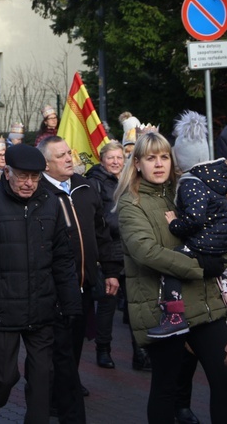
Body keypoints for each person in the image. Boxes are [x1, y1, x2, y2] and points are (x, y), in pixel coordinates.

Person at [115, 131, 227, 423]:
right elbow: (146, 252)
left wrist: (218, 260)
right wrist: (199, 267)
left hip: (205, 304)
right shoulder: (131, 204)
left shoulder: (188, 191)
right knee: (166, 388)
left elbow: (218, 233)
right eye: (150, 158)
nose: (159, 164)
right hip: (162, 309)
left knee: (226, 381)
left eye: (164, 157)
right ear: (138, 164)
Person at [0, 143, 81, 423]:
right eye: (22, 176)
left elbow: (63, 258)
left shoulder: (50, 202)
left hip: (42, 308)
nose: (29, 183)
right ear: (6, 172)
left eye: (35, 177)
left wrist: (70, 302)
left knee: (43, 381)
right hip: (1, 309)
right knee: (3, 379)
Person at [37, 136, 118, 421]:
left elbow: (101, 232)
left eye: (69, 153)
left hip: (84, 284)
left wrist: (109, 270)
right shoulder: (39, 193)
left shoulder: (85, 188)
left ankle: (65, 390)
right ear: (46, 163)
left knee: (73, 345)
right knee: (55, 349)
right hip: (53, 290)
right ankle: (55, 398)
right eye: (61, 156)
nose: (70, 158)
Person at [154, 111, 227, 337]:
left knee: (172, 265)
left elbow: (195, 218)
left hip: (204, 244)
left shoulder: (191, 183)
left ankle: (174, 315)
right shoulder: (213, 178)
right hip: (222, 243)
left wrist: (175, 225)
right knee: (214, 270)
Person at [85, 140, 129, 369]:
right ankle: (104, 349)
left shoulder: (130, 179)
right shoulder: (95, 183)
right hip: (107, 251)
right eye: (111, 158)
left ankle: (141, 353)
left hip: (131, 250)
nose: (115, 162)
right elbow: (96, 218)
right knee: (107, 302)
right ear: (102, 160)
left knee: (134, 304)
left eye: (119, 158)